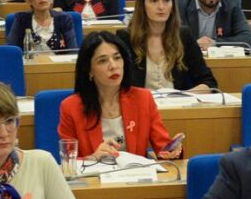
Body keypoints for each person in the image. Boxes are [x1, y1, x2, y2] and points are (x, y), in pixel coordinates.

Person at [58, 31, 185, 160]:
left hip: (134, 172)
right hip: (94, 173)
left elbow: (162, 148)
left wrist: (172, 151)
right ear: (89, 70)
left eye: (117, 58)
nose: (113, 66)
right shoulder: (71, 107)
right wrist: (93, 158)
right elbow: (68, 161)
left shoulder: (143, 99)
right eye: (102, 61)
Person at [118, 0, 216, 92]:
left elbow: (208, 82)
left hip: (177, 102)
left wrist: (185, 96)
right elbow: (118, 86)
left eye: (166, 0)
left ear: (173, 5)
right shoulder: (126, 38)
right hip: (140, 102)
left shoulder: (183, 36)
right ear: (142, 5)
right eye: (154, 1)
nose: (161, 7)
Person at [6, 0, 77, 52]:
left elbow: (73, 52)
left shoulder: (64, 19)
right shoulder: (21, 20)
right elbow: (10, 52)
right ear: (27, 0)